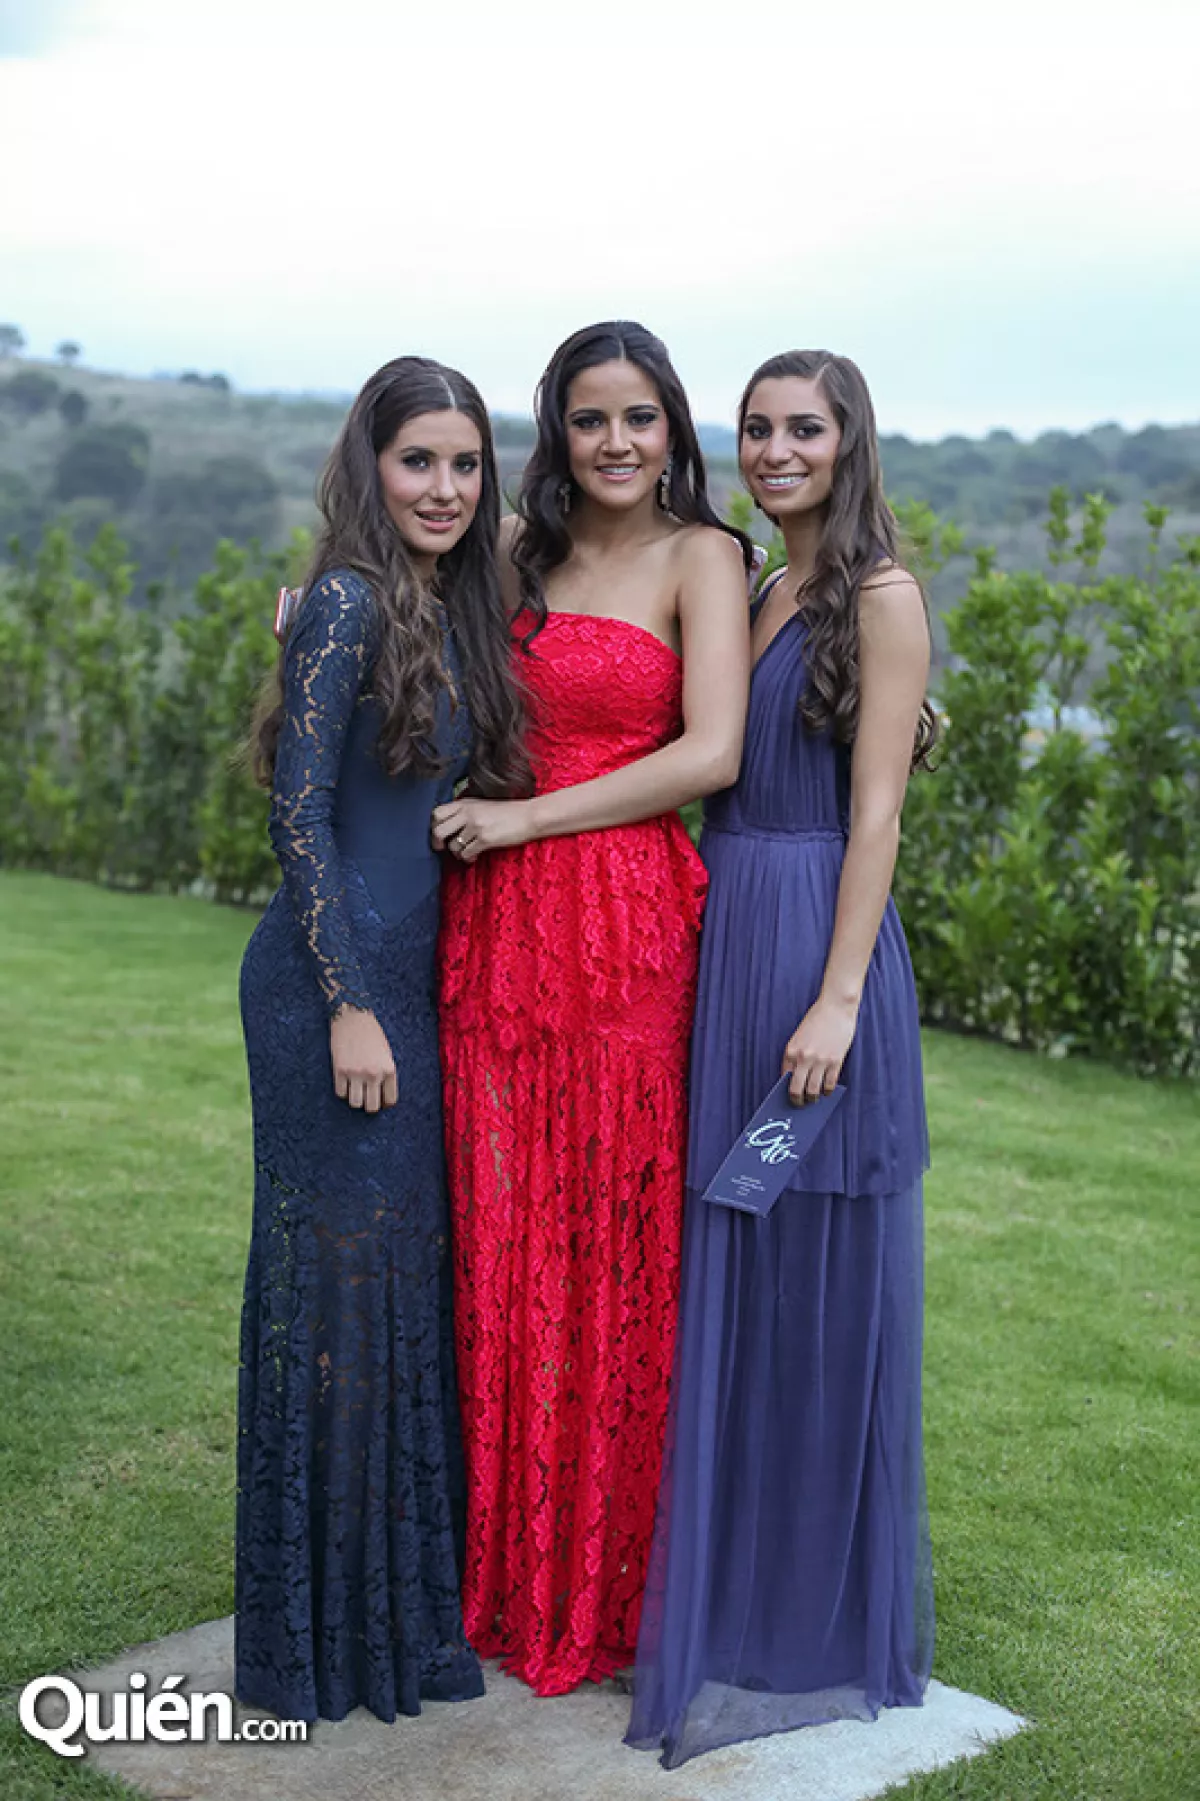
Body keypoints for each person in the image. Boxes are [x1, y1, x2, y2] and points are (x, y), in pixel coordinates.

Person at [430, 320, 752, 1695]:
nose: (615, 443)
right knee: (503, 1240)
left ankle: (612, 1586)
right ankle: (495, 1572)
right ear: (554, 434)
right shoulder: (518, 559)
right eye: (587, 420)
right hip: (494, 937)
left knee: (617, 1247)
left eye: (638, 418)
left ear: (673, 425)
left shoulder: (705, 558)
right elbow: (425, 650)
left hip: (624, 928)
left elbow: (713, 750)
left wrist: (526, 820)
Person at [627, 350, 938, 1767]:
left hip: (818, 962)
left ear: (849, 439)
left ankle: (819, 1619)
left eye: (802, 428)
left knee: (818, 1276)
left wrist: (839, 997)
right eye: (755, 428)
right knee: (738, 1285)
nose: (773, 448)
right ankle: (742, 1594)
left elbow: (876, 815)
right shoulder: (757, 584)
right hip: (729, 944)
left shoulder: (879, 595)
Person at [236, 356, 528, 1724]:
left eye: (468, 464)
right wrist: (349, 998)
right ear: (371, 464)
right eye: (419, 460)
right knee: (336, 1297)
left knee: (398, 1295)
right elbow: (298, 814)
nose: (447, 488)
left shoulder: (440, 599)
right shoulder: (348, 600)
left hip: (409, 987)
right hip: (328, 990)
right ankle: (316, 1636)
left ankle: (389, 1617)